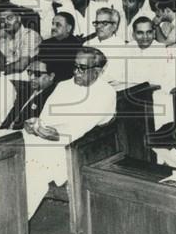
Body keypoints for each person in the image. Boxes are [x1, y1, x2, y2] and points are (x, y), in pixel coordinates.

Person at [23, 47, 116, 217]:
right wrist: (33, 125)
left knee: (32, 169)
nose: (76, 72)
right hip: (47, 139)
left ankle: (15, 224)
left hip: (78, 147)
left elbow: (80, 129)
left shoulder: (106, 93)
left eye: (82, 68)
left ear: (98, 71)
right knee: (10, 149)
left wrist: (52, 134)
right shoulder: (63, 85)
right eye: (75, 66)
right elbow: (45, 117)